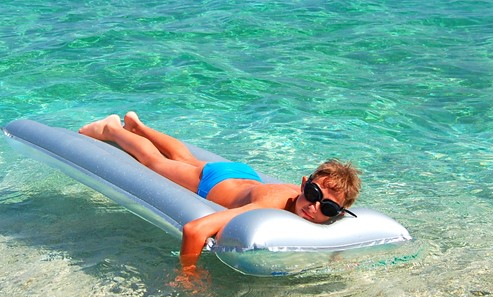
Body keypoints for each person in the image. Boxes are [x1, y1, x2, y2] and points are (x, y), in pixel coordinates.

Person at [78, 112, 361, 270]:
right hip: (214, 183)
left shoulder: (315, 206)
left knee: (186, 159)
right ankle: (113, 129)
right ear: (302, 185)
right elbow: (194, 230)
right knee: (155, 162)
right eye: (312, 194)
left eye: (327, 208)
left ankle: (138, 125)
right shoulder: (268, 206)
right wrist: (188, 275)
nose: (314, 207)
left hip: (244, 175)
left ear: (337, 213)